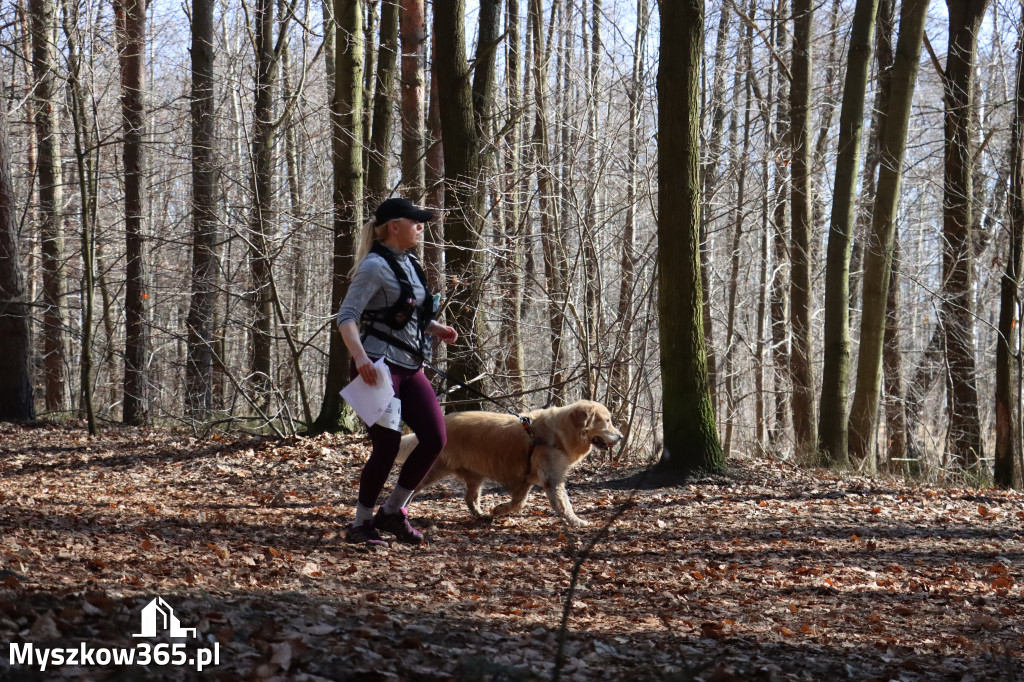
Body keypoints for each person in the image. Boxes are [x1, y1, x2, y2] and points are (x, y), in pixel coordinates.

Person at [336, 198, 457, 547]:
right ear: (394, 226)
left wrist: (436, 329)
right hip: (378, 371)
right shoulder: (374, 266)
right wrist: (360, 360)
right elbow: (347, 317)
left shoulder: (411, 262)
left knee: (435, 438)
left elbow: (405, 313)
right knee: (387, 446)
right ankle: (361, 523)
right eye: (415, 221)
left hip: (410, 367)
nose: (421, 226)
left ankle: (392, 511)